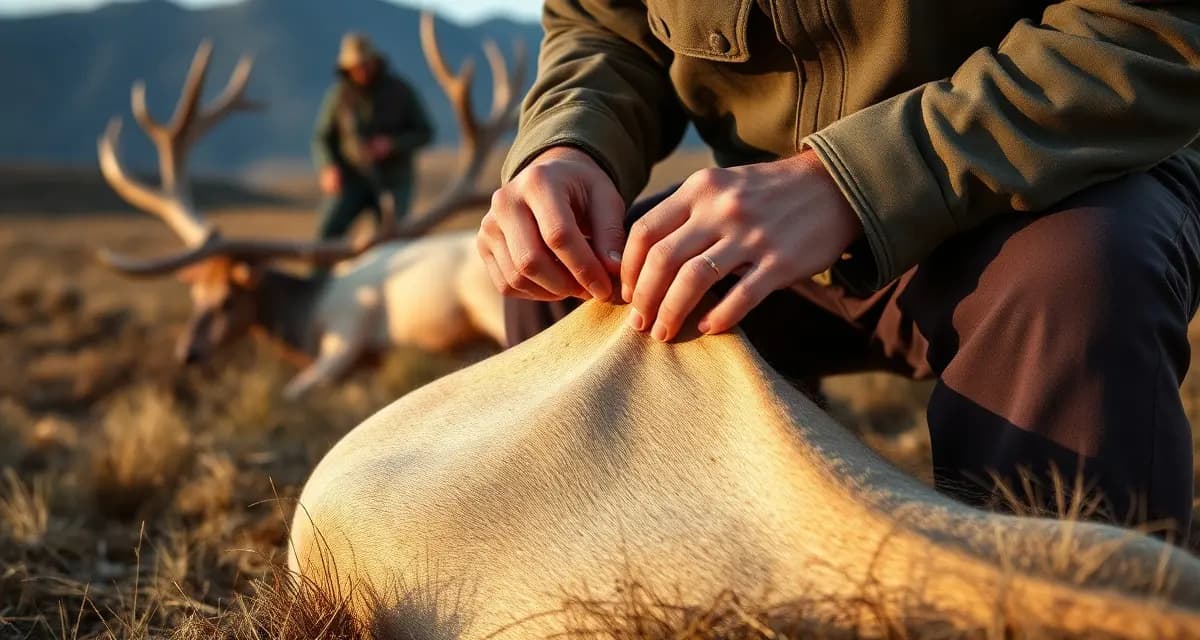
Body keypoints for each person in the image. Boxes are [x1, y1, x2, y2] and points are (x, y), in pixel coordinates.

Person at [479, 2, 1200, 535]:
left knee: (1079, 282)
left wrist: (850, 183)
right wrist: (568, 143)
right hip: (771, 221)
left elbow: (1148, 29)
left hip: (1053, 186)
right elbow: (605, 27)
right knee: (574, 297)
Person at [312, 33, 433, 240]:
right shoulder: (339, 96)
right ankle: (319, 274)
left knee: (392, 242)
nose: (361, 71)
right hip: (352, 180)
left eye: (365, 64)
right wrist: (327, 167)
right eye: (355, 66)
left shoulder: (401, 91)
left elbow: (426, 132)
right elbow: (322, 137)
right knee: (327, 235)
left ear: (375, 61)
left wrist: (392, 145)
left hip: (393, 182)